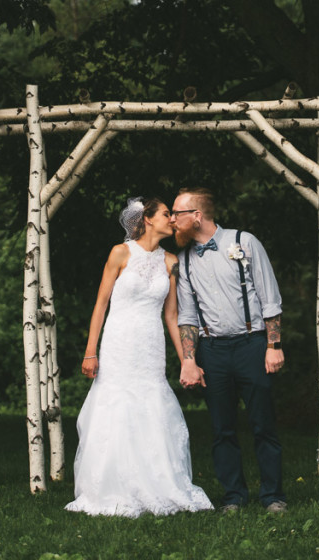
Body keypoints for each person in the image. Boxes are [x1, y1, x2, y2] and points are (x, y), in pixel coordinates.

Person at [65, 196, 213, 517]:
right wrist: (91, 351)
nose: (172, 220)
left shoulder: (170, 261)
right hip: (119, 341)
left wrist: (187, 359)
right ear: (147, 219)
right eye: (165, 215)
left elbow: (172, 316)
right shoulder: (120, 253)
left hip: (150, 344)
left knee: (151, 402)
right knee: (116, 402)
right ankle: (110, 485)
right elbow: (100, 305)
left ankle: (157, 481)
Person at [172, 186, 287, 514]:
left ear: (196, 216)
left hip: (252, 345)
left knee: (263, 424)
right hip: (213, 351)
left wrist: (273, 346)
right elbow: (188, 316)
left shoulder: (244, 242)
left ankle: (273, 497)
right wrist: (189, 360)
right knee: (222, 429)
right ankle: (233, 497)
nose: (172, 220)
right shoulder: (183, 260)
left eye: (177, 213)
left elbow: (270, 298)